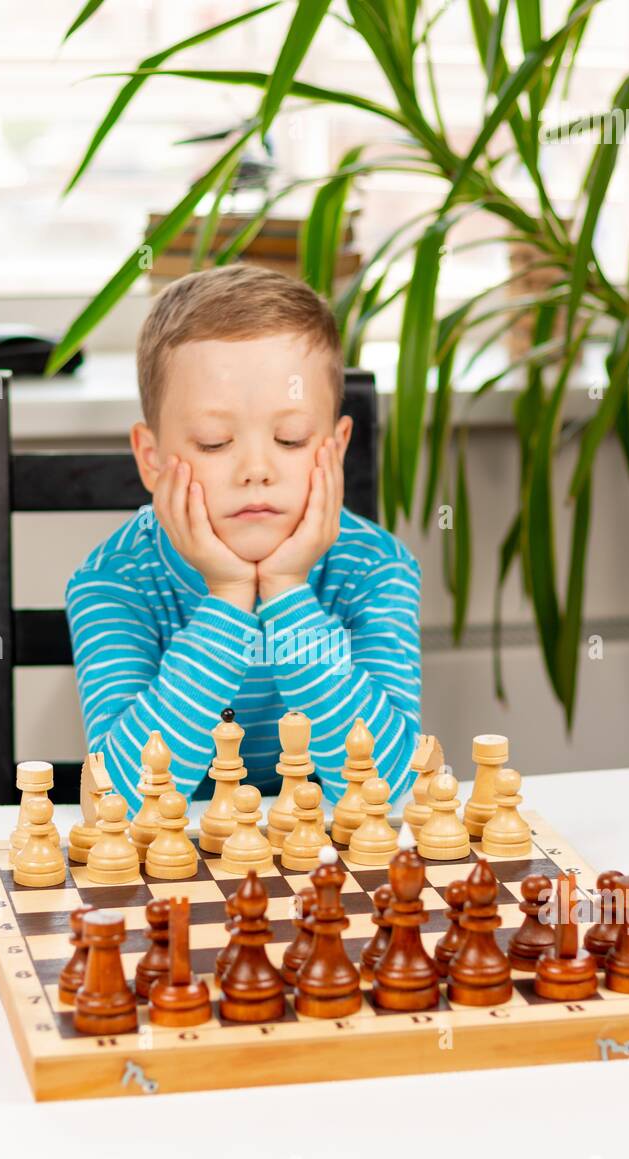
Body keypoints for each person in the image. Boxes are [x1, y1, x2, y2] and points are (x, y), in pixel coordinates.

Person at [65, 263, 422, 813]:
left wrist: (286, 591)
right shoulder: (114, 582)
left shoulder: (374, 569)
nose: (256, 469)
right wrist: (228, 595)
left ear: (337, 445)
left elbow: (389, 783)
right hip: (178, 875)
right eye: (214, 442)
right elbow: (122, 796)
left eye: (290, 438)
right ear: (153, 459)